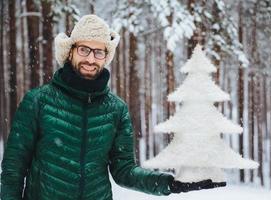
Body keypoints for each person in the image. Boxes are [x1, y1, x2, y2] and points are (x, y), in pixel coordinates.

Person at [0, 15, 225, 200]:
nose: (91, 58)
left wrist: (170, 183)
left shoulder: (116, 110)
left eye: (99, 52)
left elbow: (124, 171)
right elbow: (13, 168)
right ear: (70, 52)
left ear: (106, 57)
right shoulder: (38, 101)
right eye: (84, 50)